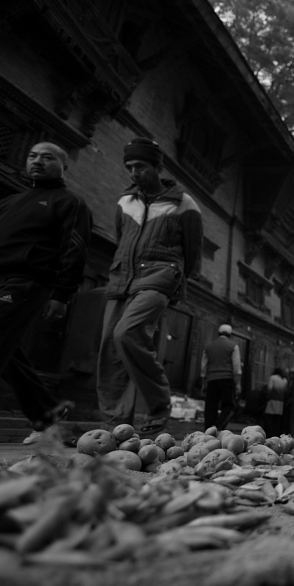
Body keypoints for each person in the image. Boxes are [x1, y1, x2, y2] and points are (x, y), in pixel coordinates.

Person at [0, 142, 92, 443]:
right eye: (32, 156)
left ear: (63, 164)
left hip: (25, 282)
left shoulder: (69, 203)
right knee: (6, 352)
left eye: (47, 157)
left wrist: (61, 294)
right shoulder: (8, 203)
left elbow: (75, 251)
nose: (37, 161)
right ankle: (47, 413)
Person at [97, 138, 203, 436]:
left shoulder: (184, 203)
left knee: (127, 332)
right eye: (129, 166)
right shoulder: (125, 202)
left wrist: (178, 287)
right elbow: (122, 240)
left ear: (158, 167)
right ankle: (116, 423)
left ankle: (158, 407)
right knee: (110, 348)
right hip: (122, 278)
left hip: (159, 277)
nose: (133, 172)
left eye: (140, 166)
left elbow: (193, 251)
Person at [200, 324, 242, 430]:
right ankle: (218, 426)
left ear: (218, 334)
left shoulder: (208, 346)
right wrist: (237, 384)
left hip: (211, 379)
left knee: (210, 407)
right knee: (229, 405)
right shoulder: (233, 346)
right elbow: (236, 367)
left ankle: (208, 430)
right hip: (227, 379)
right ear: (230, 335)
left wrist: (203, 383)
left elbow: (203, 367)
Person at [262, 367, 289, 437]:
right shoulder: (285, 380)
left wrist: (267, 398)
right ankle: (276, 434)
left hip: (272, 400)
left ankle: (269, 433)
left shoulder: (272, 378)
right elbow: (285, 392)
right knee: (277, 420)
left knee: (269, 418)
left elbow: (269, 389)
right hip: (280, 402)